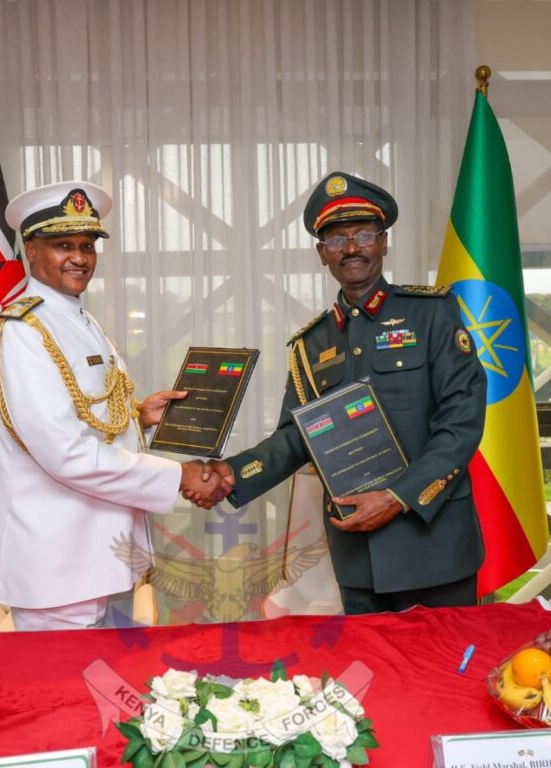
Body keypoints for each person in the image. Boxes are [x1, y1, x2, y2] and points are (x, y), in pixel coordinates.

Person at [204, 172, 487, 614]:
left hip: (434, 545)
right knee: (374, 678)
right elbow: (295, 437)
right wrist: (231, 474)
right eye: (336, 240)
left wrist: (396, 497)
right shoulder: (312, 343)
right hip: (360, 555)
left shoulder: (432, 314)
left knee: (450, 677)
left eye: (364, 235)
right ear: (322, 254)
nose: (352, 248)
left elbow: (461, 422)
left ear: (384, 243)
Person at [0, 180, 233, 631]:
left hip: (102, 556)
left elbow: (82, 413)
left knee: (105, 693)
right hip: (58, 565)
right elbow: (66, 453)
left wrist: (139, 416)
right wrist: (180, 475)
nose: (79, 257)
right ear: (31, 251)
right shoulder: (24, 330)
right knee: (67, 695)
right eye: (62, 245)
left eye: (87, 245)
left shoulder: (76, 316)